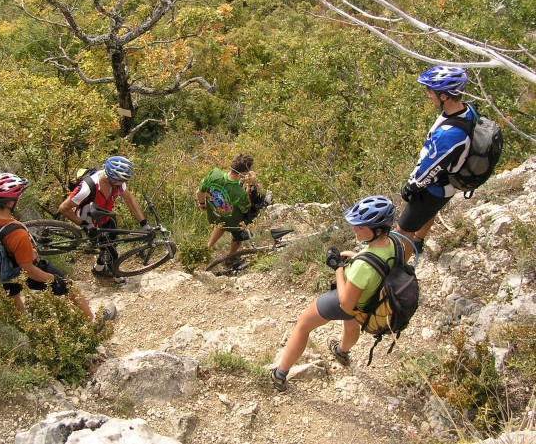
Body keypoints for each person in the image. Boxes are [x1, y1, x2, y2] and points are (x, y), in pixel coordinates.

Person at [270, 196, 396, 392]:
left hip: (350, 301)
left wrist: (337, 268)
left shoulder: (362, 268)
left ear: (377, 230)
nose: (355, 229)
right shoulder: (393, 242)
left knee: (303, 324)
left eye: (360, 227)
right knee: (352, 323)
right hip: (370, 301)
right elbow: (381, 263)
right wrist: (357, 257)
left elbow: (346, 305)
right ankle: (342, 352)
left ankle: (279, 375)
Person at [0, 173, 103, 325]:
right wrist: (53, 279)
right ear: (9, 203)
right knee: (69, 285)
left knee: (12, 291)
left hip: (1, 268)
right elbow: (29, 270)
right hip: (21, 270)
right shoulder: (17, 233)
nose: (19, 199)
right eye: (17, 197)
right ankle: (93, 322)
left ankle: (25, 322)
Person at [396, 66, 474, 261]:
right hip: (447, 183)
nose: (428, 94)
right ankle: (419, 239)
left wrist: (411, 186)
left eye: (430, 90)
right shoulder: (467, 111)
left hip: (436, 187)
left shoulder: (449, 135)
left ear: (444, 96)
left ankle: (400, 268)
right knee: (430, 211)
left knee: (402, 229)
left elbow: (430, 168)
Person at [58, 156, 151, 284]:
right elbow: (64, 208)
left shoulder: (117, 181)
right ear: (111, 177)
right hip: (90, 220)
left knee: (112, 242)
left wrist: (143, 223)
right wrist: (85, 226)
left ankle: (98, 268)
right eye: (121, 180)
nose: (123, 183)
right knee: (112, 253)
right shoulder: (87, 187)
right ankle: (116, 275)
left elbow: (130, 200)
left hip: (106, 216)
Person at [195, 153, 255, 256]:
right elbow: (246, 209)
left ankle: (207, 249)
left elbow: (199, 192)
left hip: (214, 215)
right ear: (243, 174)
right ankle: (231, 256)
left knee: (221, 223)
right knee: (239, 232)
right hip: (233, 222)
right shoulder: (239, 193)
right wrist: (250, 186)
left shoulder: (214, 174)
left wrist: (202, 204)